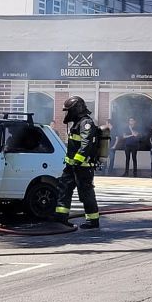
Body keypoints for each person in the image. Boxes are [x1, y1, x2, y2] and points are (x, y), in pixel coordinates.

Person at [54, 96, 102, 229]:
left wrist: (77, 160)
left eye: (69, 110)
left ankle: (93, 221)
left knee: (86, 193)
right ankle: (61, 218)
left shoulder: (86, 123)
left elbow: (86, 144)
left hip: (83, 167)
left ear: (77, 109)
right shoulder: (77, 122)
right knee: (64, 189)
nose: (67, 114)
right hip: (71, 166)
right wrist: (71, 163)